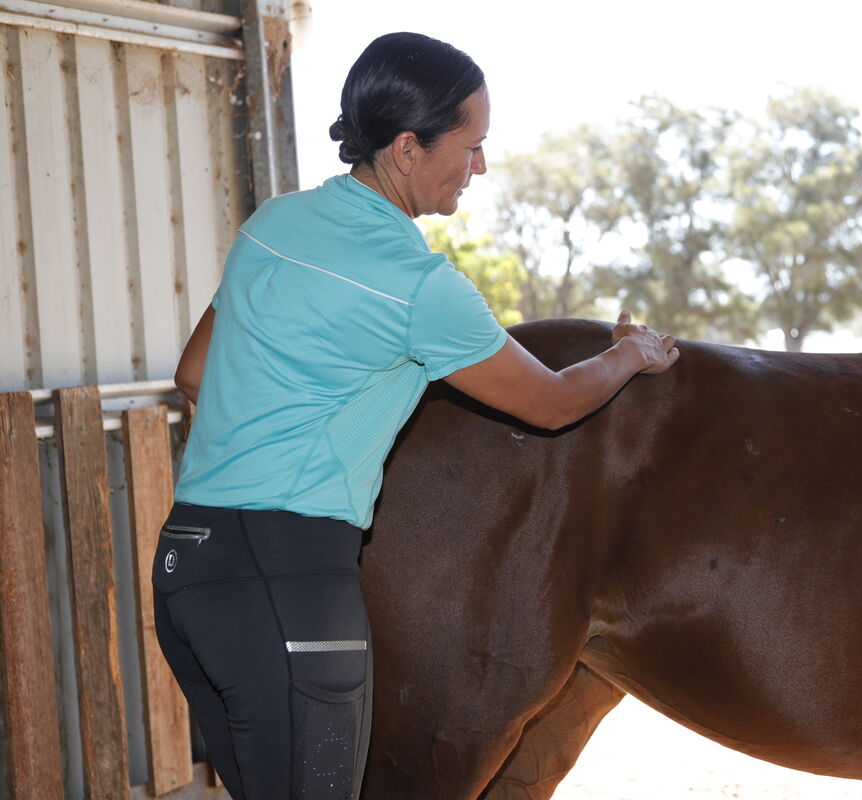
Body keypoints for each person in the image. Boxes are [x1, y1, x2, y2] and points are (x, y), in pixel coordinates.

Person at [152, 31, 679, 800]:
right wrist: (630, 354)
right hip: (290, 583)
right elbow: (555, 403)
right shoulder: (419, 287)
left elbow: (193, 371)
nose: (481, 166)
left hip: (188, 570)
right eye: (471, 146)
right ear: (406, 148)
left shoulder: (273, 224)